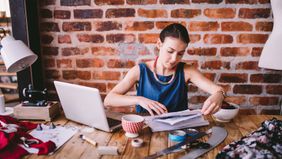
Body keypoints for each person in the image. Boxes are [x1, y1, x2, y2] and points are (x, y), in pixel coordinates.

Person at [104, 23, 225, 116]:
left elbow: (218, 90)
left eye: (180, 54)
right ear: (159, 44)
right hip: (146, 129)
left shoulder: (188, 71)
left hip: (177, 130)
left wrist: (219, 95)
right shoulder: (140, 70)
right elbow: (109, 100)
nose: (174, 59)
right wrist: (139, 100)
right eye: (170, 51)